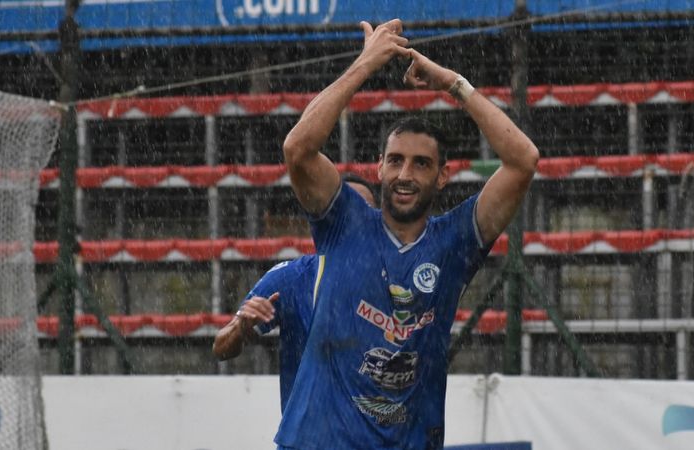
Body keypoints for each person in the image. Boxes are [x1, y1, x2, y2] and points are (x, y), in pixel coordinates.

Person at [275, 18, 539, 449]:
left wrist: (453, 83)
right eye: (395, 160)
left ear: (442, 177)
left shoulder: (455, 242)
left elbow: (523, 160)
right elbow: (297, 149)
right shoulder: (345, 220)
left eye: (420, 164)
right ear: (378, 166)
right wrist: (365, 64)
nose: (405, 174)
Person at [212, 174, 377, 412]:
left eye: (366, 210)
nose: (356, 217)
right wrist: (241, 328)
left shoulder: (396, 281)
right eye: (345, 209)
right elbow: (221, 347)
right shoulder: (291, 279)